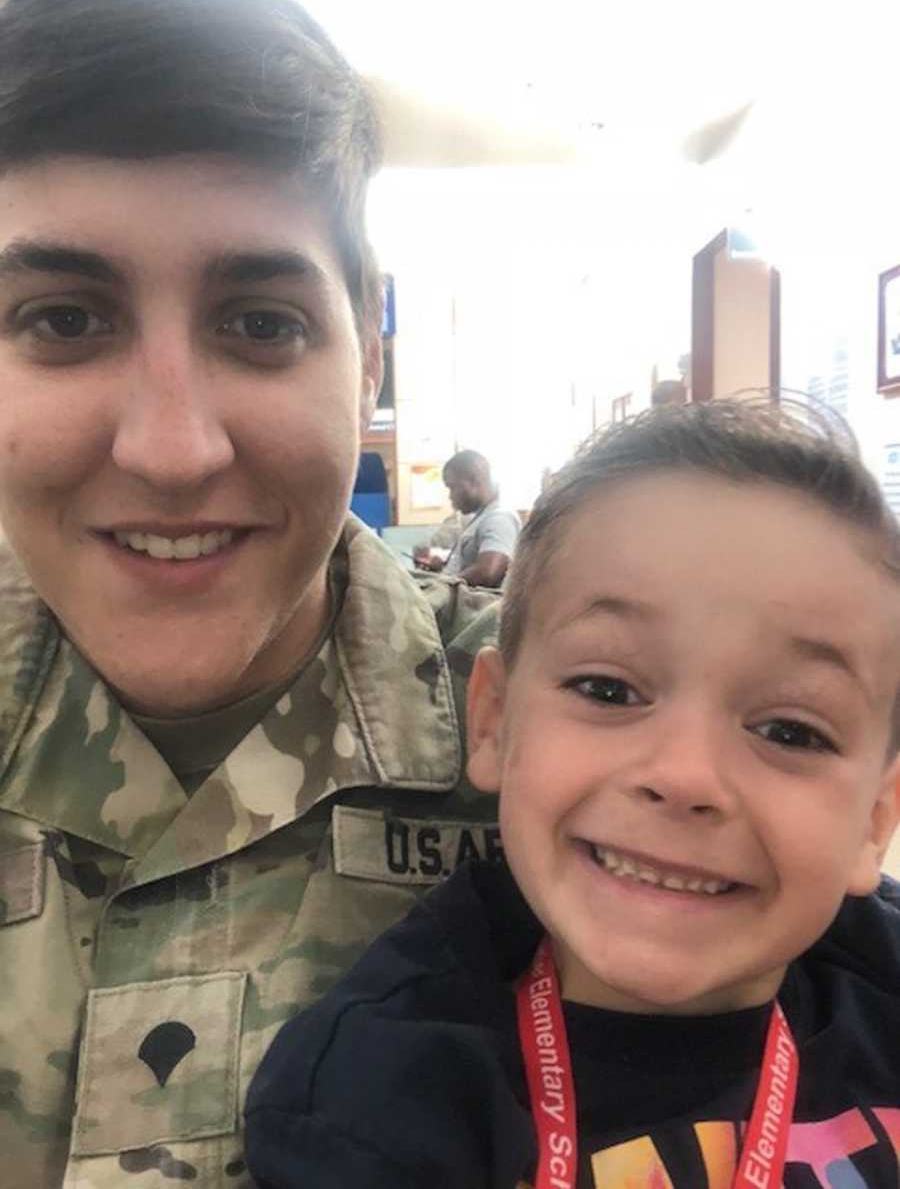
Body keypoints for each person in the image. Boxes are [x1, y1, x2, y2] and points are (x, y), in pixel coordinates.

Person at [0, 0, 501, 1184]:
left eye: (261, 322)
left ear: (367, 353)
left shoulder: (580, 745)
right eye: (64, 319)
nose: (172, 450)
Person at [245, 399, 900, 1189]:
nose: (685, 775)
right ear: (492, 721)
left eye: (791, 732)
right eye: (608, 688)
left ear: (875, 819)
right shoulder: (373, 1099)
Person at [416, 450, 520, 587]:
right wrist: (443, 566)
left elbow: (488, 572)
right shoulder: (483, 517)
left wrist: (442, 584)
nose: (450, 496)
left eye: (452, 487)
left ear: (474, 481)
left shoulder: (500, 518)